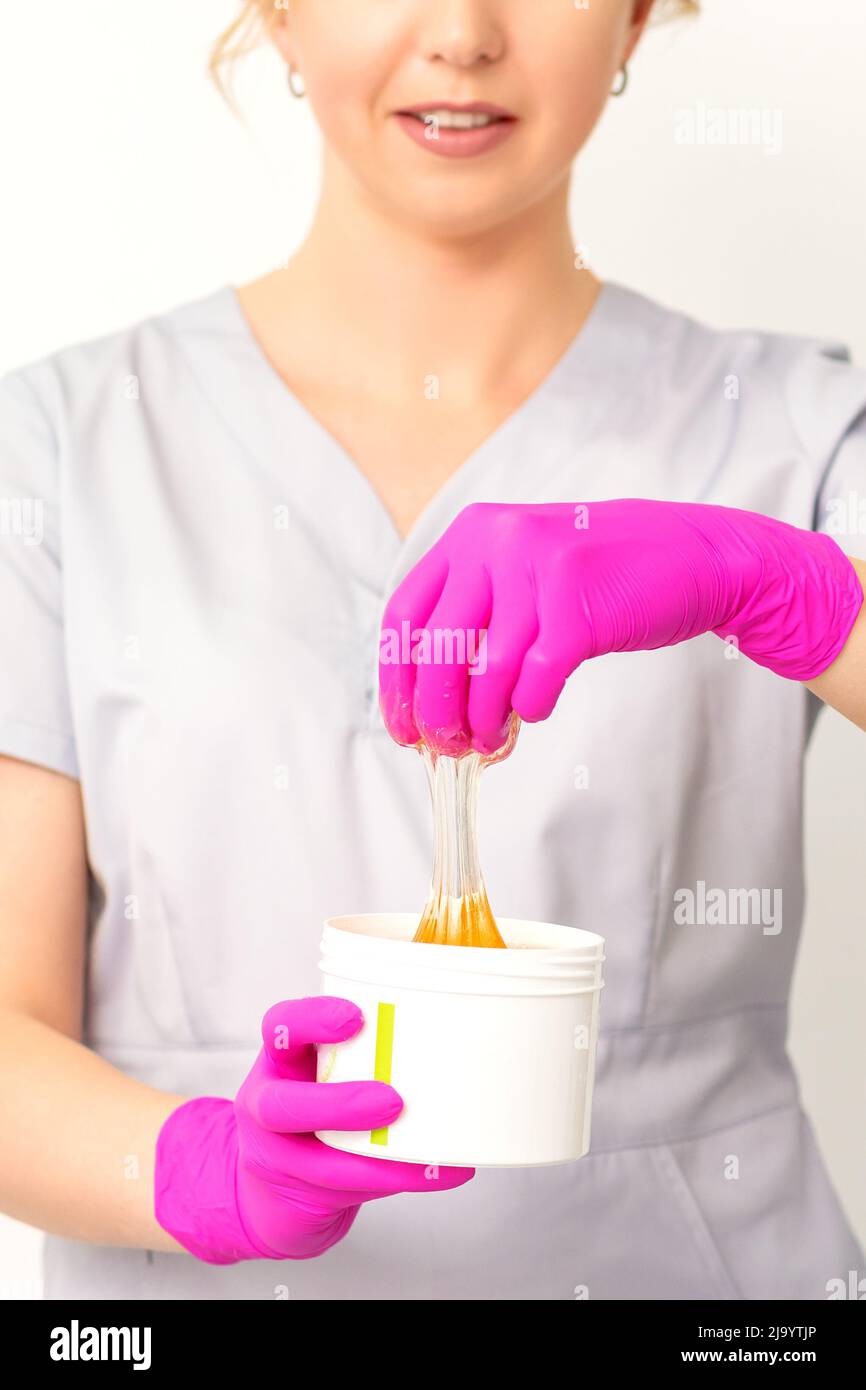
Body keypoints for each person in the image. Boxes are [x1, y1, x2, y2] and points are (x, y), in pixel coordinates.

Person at [1, 0, 864, 1301]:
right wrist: (192, 1169)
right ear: (279, 14)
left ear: (633, 16)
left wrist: (781, 585)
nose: (461, 34)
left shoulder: (793, 429)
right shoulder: (61, 453)